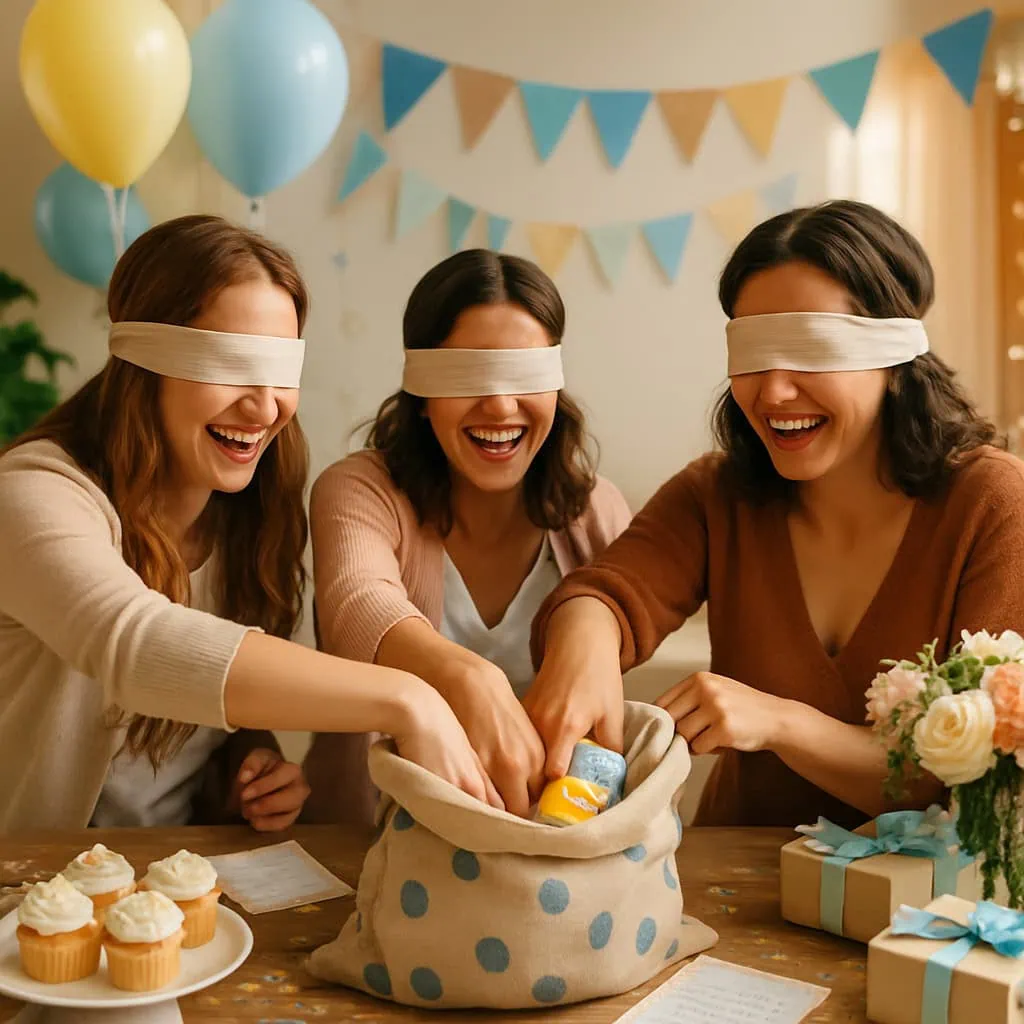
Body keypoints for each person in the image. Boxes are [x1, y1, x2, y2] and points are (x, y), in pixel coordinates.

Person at [527, 199, 1024, 829]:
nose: (773, 391)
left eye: (811, 350)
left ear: (894, 359)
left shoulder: (995, 506)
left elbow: (981, 780)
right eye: (754, 352)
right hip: (737, 884)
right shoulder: (716, 495)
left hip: (928, 911)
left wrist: (780, 723)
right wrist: (585, 640)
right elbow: (610, 592)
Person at [0, 215, 497, 835]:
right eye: (230, 365)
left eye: (281, 371)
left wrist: (247, 763)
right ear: (144, 363)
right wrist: (408, 697)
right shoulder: (32, 494)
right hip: (29, 892)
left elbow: (199, 695)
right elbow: (137, 645)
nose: (265, 409)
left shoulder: (250, 514)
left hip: (176, 881)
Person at [303, 249, 631, 822]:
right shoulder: (359, 489)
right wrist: (469, 677)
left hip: (548, 852)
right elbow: (354, 606)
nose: (500, 404)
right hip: (365, 840)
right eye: (467, 372)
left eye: (525, 374)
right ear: (421, 394)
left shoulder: (596, 510)